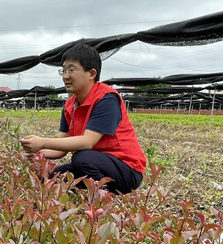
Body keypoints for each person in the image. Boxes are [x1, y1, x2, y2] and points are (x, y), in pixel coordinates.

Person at [20, 41, 146, 194]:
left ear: (91, 73)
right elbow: (61, 149)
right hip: (93, 164)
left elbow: (87, 142)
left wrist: (42, 142)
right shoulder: (69, 105)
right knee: (49, 179)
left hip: (126, 170)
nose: (66, 76)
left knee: (82, 158)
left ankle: (103, 199)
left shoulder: (106, 99)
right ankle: (91, 195)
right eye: (63, 70)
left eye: (71, 70)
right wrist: (38, 153)